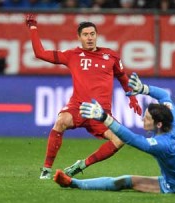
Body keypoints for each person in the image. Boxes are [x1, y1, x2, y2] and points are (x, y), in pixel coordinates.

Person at [54, 73, 175, 194]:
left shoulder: (162, 145)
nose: (142, 118)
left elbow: (131, 139)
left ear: (158, 124)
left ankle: (73, 183)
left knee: (124, 181)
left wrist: (104, 118)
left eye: (146, 117)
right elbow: (164, 95)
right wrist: (143, 89)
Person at [25, 15, 142, 179]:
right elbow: (40, 53)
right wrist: (33, 28)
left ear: (97, 35)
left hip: (101, 114)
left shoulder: (111, 56)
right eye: (86, 34)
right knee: (61, 121)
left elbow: (123, 77)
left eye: (92, 34)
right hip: (78, 108)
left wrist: (132, 97)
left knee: (119, 140)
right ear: (79, 37)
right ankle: (46, 169)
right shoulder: (72, 55)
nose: (90, 38)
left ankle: (81, 165)